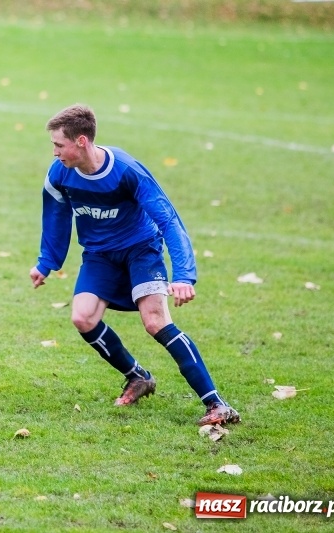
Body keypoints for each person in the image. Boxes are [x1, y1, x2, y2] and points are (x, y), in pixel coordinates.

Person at [29, 104, 240, 427]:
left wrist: (184, 275)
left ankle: (216, 403)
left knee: (154, 321)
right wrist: (47, 263)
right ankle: (138, 376)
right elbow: (56, 217)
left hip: (140, 251)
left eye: (59, 145)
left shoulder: (126, 171)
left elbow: (168, 220)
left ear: (81, 141)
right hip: (99, 256)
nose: (55, 152)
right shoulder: (59, 174)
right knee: (82, 318)